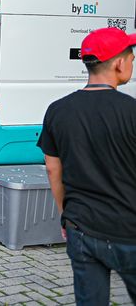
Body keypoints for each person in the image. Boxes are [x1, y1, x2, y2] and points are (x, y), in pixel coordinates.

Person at [38, 27, 136, 304]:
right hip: (129, 229)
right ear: (119, 63)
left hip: (81, 228)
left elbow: (53, 170)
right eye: (132, 58)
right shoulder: (131, 111)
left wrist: (65, 216)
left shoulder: (58, 110)